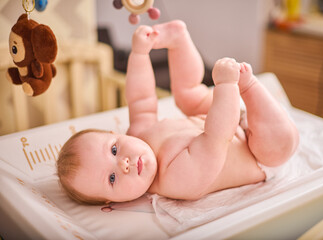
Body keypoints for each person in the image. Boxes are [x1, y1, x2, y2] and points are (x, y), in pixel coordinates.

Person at [57, 20, 299, 205]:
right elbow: (217, 137)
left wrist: (139, 55)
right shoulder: (176, 180)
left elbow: (140, 99)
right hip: (258, 155)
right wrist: (228, 86)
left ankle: (177, 39)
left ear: (115, 134)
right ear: (113, 202)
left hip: (225, 118)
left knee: (189, 96)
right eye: (112, 179)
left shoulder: (139, 134)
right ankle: (250, 86)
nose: (124, 164)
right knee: (278, 143)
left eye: (113, 149)